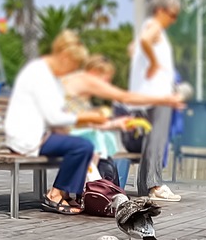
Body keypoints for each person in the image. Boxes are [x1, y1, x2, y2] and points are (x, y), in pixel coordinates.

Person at [3, 30, 109, 214]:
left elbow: (59, 115)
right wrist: (88, 117)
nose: (73, 69)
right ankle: (54, 196)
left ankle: (66, 194)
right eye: (73, 64)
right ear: (64, 56)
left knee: (85, 146)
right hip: (27, 136)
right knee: (81, 147)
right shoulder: (40, 74)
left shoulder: (50, 76)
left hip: (38, 133)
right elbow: (54, 117)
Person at [62, 55, 186, 189]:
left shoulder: (76, 83)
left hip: (64, 132)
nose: (107, 84)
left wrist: (116, 123)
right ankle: (97, 189)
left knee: (101, 140)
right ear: (95, 72)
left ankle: (96, 188)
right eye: (107, 78)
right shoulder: (84, 81)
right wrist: (164, 100)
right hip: (61, 135)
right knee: (96, 141)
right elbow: (125, 97)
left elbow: (84, 122)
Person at [128, 0, 183, 202]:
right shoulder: (154, 26)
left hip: (151, 94)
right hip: (158, 96)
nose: (174, 20)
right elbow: (143, 41)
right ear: (161, 10)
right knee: (157, 139)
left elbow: (134, 47)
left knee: (151, 140)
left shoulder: (149, 25)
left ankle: (146, 185)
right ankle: (155, 184)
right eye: (172, 14)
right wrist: (153, 62)